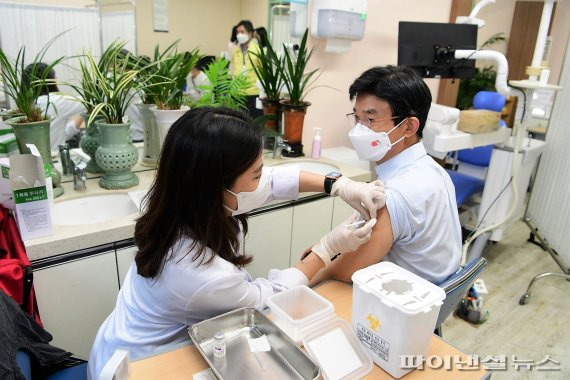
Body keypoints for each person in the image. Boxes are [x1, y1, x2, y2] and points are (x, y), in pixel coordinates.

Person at [87, 107, 384, 379]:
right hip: (141, 365)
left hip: (123, 335)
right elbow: (266, 299)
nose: (262, 180)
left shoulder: (179, 202)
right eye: (255, 174)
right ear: (215, 185)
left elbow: (275, 181)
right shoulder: (196, 270)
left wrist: (338, 184)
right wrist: (328, 247)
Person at [310, 66, 462, 286]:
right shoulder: (432, 169)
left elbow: (344, 272)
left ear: (409, 126)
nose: (359, 130)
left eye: (370, 120)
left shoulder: (397, 194)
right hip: (429, 290)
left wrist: (314, 264)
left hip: (402, 301)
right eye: (357, 117)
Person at [22, 63, 85, 150]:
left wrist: (84, 113)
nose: (56, 79)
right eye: (54, 77)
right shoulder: (52, 102)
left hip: (31, 161)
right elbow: (91, 100)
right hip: (50, 161)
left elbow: (59, 132)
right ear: (49, 81)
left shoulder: (27, 105)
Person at [230, 20, 262, 119]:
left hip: (253, 92)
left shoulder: (258, 50)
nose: (239, 34)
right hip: (237, 92)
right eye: (237, 32)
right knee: (238, 122)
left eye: (242, 32)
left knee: (253, 122)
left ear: (250, 33)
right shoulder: (235, 50)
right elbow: (232, 70)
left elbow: (263, 72)